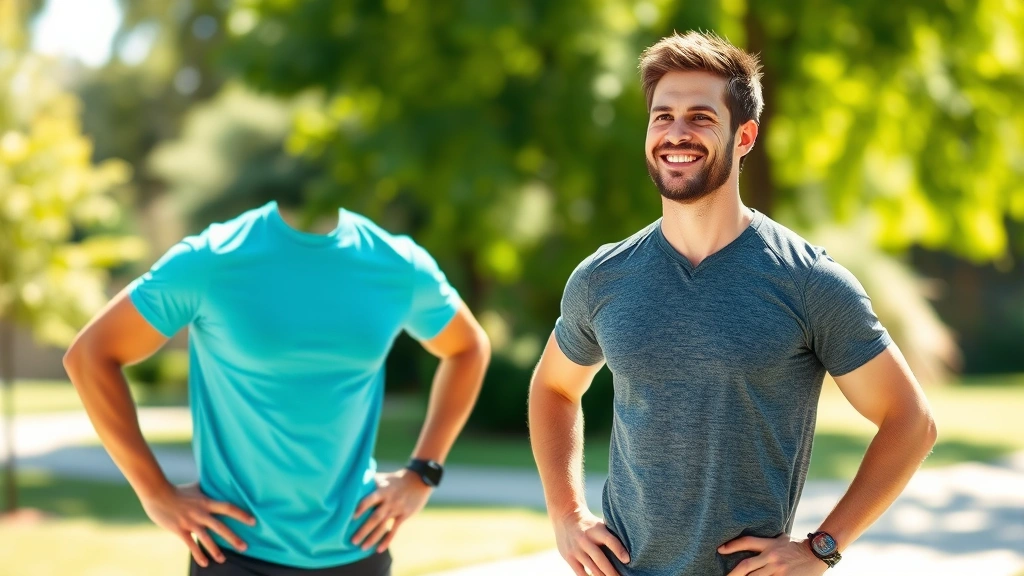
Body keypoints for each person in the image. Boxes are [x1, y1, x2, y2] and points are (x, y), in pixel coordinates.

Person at [528, 31, 937, 576]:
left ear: (744, 136)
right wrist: (566, 514)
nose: (676, 133)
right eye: (662, 115)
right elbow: (554, 387)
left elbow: (911, 421)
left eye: (700, 117)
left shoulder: (807, 281)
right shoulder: (604, 276)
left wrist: (823, 547)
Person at [63, 200, 491, 576]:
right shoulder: (213, 258)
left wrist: (423, 472)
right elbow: (89, 357)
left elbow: (468, 348)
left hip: (359, 551)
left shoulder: (397, 264)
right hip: (233, 554)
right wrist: (154, 492)